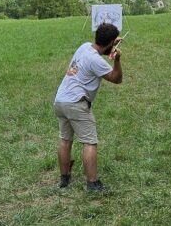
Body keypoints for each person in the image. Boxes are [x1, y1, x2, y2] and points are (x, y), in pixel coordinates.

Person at [53, 23, 123, 192]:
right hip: (77, 103)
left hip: (61, 100)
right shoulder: (96, 60)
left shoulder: (84, 46)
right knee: (90, 142)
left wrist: (112, 43)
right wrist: (117, 60)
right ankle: (92, 183)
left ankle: (64, 179)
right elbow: (116, 78)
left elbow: (100, 48)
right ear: (111, 43)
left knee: (65, 140)